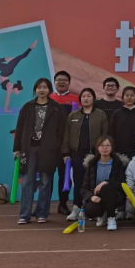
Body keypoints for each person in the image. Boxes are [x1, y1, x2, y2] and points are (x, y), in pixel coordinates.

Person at [13, 78, 66, 225]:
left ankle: (42, 213)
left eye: (45, 87)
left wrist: (57, 147)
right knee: (27, 182)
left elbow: (61, 130)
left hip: (48, 150)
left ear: (49, 90)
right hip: (29, 149)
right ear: (35, 90)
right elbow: (20, 128)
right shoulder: (27, 107)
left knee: (45, 182)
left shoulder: (56, 108)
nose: (42, 90)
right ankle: (24, 215)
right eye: (39, 87)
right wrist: (17, 149)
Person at [62, 88, 109, 221]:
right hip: (77, 153)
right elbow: (66, 134)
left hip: (95, 154)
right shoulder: (73, 115)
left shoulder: (100, 114)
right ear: (80, 99)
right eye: (83, 96)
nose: (86, 98)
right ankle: (77, 208)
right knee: (78, 182)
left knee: (94, 182)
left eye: (89, 96)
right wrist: (65, 152)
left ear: (93, 99)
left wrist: (103, 151)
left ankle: (92, 209)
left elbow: (105, 133)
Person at [81, 135, 126, 231]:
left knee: (106, 187)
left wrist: (106, 182)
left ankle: (111, 218)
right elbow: (84, 188)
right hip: (98, 197)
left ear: (112, 147)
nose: (104, 148)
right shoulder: (92, 164)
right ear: (98, 148)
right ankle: (103, 214)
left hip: (115, 196)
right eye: (102, 145)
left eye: (107, 145)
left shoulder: (118, 163)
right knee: (90, 211)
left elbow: (122, 185)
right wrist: (91, 197)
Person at [50, 70, 80, 215]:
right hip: (50, 144)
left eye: (64, 80)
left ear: (69, 83)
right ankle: (43, 206)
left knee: (65, 175)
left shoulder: (76, 99)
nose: (61, 82)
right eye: (59, 80)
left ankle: (62, 204)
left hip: (67, 144)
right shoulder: (48, 98)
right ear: (54, 82)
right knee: (47, 176)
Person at [0, 40, 36, 113]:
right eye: (18, 90)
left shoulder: (10, 87)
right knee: (19, 57)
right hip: (6, 72)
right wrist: (6, 109)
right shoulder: (10, 86)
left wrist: (6, 109)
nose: (17, 92)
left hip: (5, 71)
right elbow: (10, 96)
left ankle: (6, 59)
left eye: (18, 91)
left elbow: (7, 98)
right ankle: (31, 48)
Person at [108, 86, 135, 161]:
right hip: (119, 152)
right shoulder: (117, 114)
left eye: (132, 95)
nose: (129, 98)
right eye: (127, 95)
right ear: (122, 97)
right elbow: (111, 133)